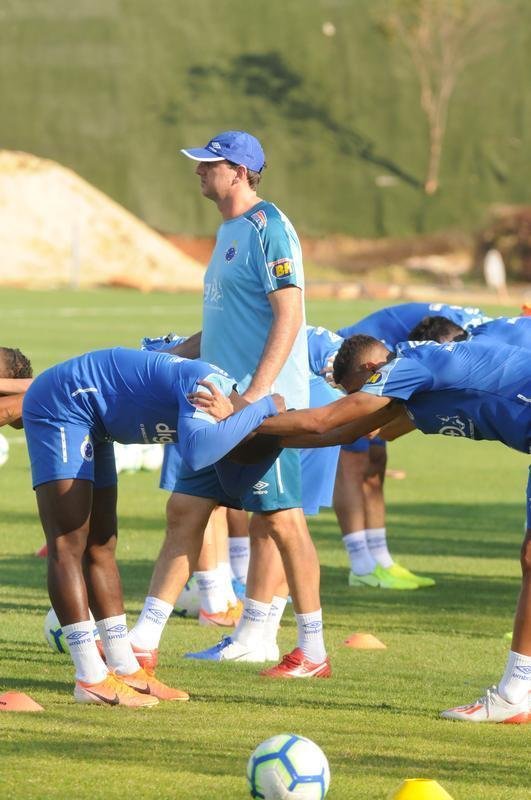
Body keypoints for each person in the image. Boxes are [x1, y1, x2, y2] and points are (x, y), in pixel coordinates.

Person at [238, 334, 530, 723]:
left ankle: (514, 694)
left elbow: (326, 418)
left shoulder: (408, 366)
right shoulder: (409, 390)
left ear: (372, 370)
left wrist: (241, 424)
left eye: (359, 392)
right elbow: (345, 433)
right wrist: (270, 442)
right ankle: (517, 693)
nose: (365, 401)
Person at [130, 130, 330, 679]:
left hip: (258, 408)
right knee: (186, 511)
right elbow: (224, 323)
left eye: (208, 164)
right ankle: (142, 641)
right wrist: (172, 357)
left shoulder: (270, 229)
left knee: (283, 523)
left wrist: (253, 398)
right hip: (216, 402)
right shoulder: (228, 231)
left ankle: (312, 651)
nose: (198, 171)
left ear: (239, 171)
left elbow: (289, 316)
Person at [22, 346, 282, 706]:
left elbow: (232, 464)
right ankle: (89, 678)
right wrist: (267, 407)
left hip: (95, 422)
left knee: (102, 544)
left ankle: (126, 669)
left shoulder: (227, 413)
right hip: (62, 403)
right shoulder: (209, 387)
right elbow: (198, 453)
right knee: (68, 543)